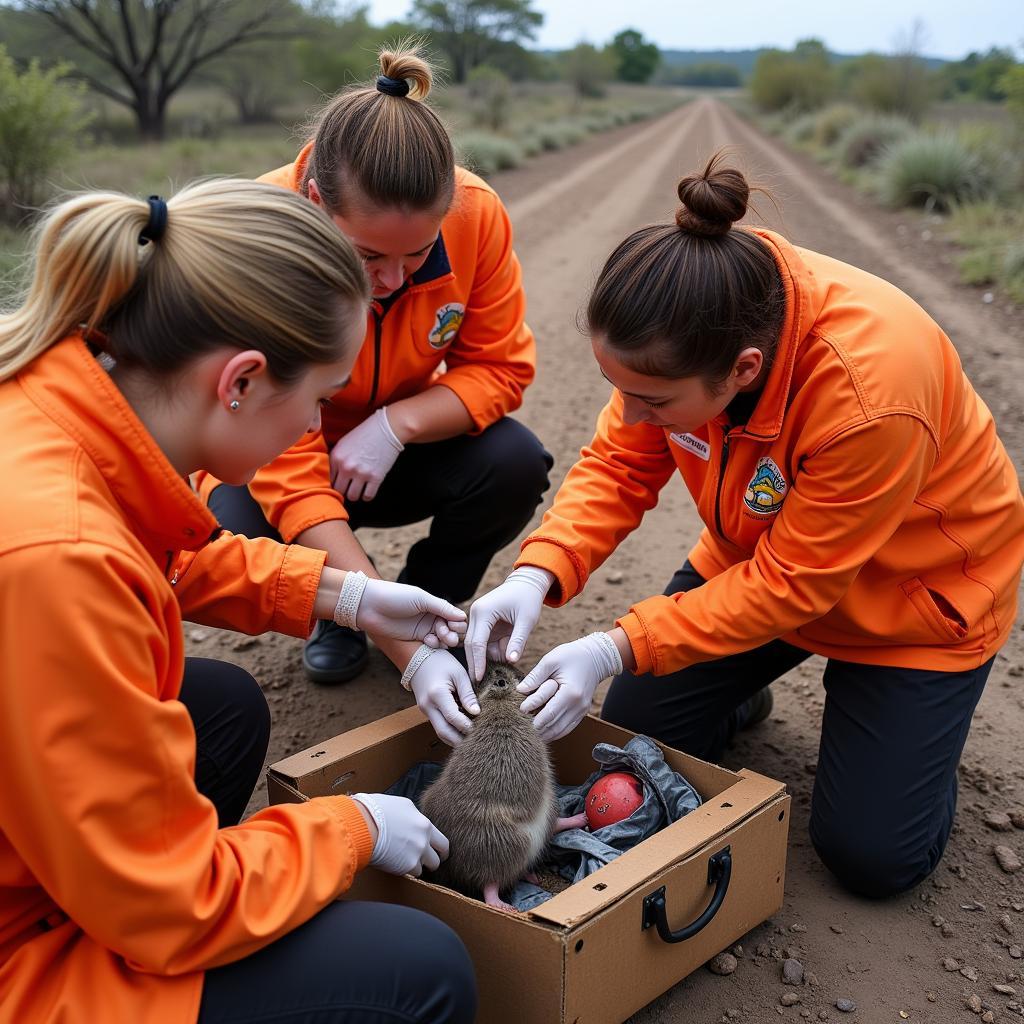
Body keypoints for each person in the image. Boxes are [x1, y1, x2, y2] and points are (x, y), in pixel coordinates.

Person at [465, 153, 1024, 900]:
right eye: (618, 389)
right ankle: (744, 688)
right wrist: (537, 573)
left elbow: (795, 584)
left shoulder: (871, 393)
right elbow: (618, 464)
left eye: (654, 402)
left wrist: (615, 644)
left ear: (745, 372)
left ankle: (907, 736)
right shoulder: (690, 327)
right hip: (762, 567)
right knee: (642, 722)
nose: (632, 414)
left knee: (870, 857)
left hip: (913, 608)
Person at [0, 180, 476, 1023]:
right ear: (242, 381)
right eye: (321, 400)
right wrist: (355, 826)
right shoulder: (57, 561)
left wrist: (351, 596)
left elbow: (167, 561)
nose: (313, 432)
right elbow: (170, 904)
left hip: (36, 853)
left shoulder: (64, 399)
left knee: (220, 708)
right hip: (15, 962)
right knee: (423, 972)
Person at [197, 43, 551, 718]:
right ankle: (347, 611)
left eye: (416, 255)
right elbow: (290, 475)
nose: (391, 281)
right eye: (366, 256)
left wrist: (395, 425)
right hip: (277, 452)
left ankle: (428, 604)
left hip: (390, 458)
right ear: (312, 202)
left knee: (514, 462)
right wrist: (402, 650)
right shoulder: (257, 240)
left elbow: (501, 369)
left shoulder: (477, 214)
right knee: (228, 527)